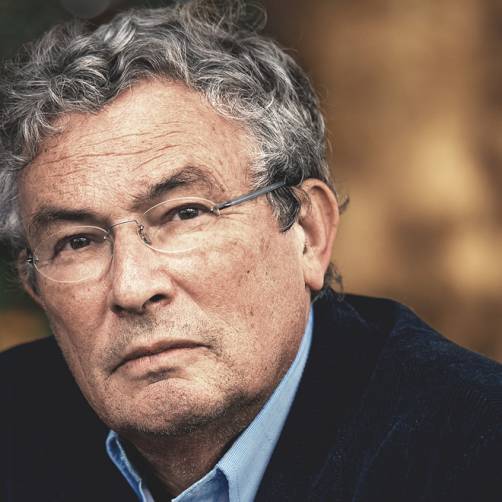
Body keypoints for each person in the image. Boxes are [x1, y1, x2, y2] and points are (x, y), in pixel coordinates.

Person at [1, 2, 501, 501]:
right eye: (78, 242)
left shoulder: (474, 449)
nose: (132, 287)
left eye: (185, 213)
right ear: (36, 285)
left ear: (307, 231)